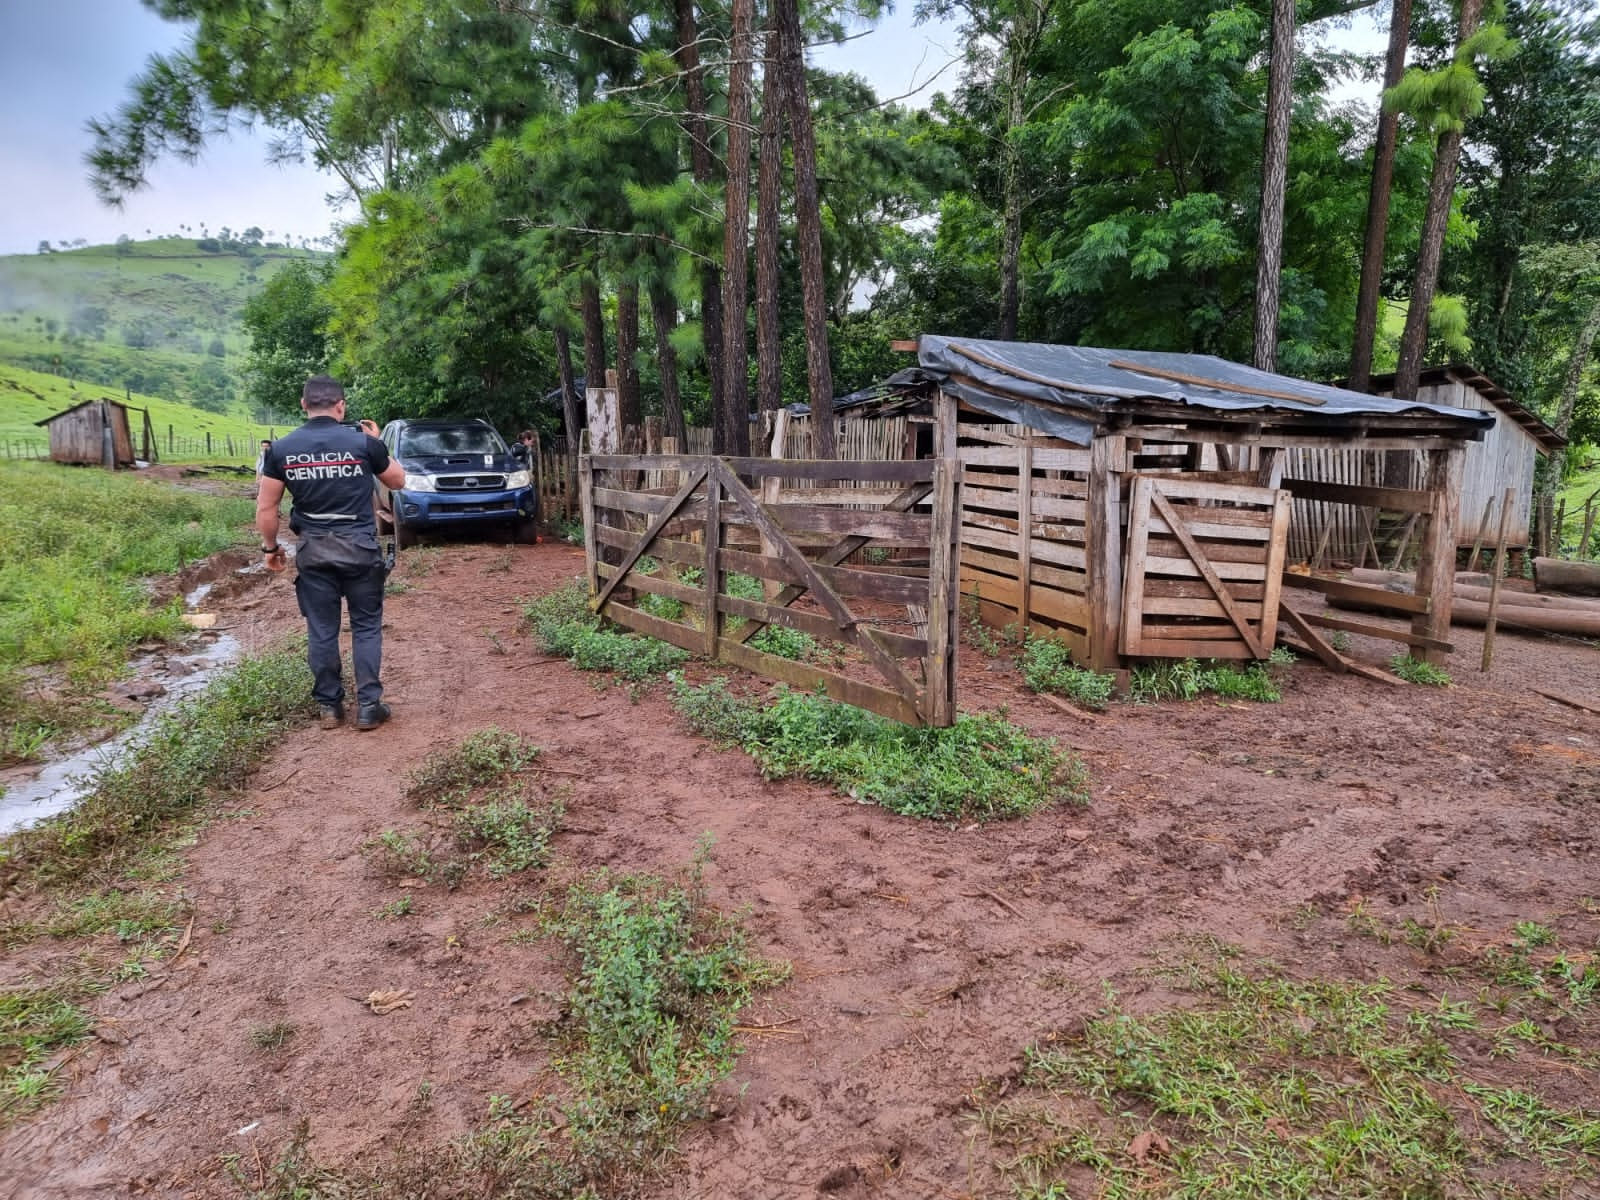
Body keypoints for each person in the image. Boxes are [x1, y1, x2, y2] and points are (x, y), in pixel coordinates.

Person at [256, 376, 406, 732]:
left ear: (303, 405)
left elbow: (267, 508)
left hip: (314, 552)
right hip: (360, 549)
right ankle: (369, 707)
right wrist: (377, 442)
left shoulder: (280, 450)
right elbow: (398, 481)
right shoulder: (364, 444)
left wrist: (271, 548)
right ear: (342, 406)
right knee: (366, 627)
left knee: (321, 629)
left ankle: (330, 708)